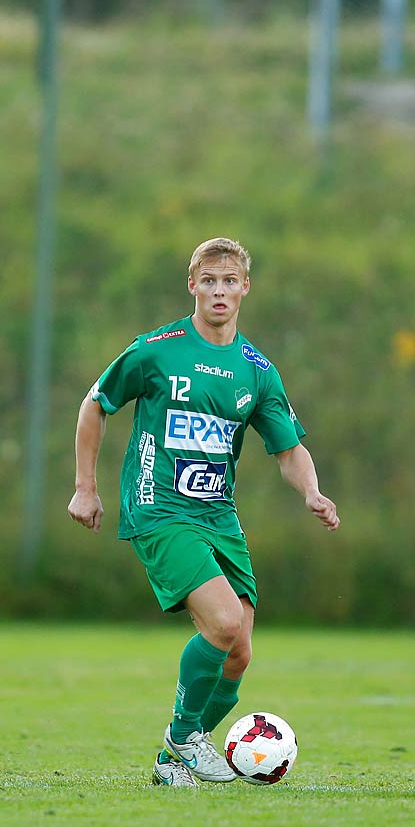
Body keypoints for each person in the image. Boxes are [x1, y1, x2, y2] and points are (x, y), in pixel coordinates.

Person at [67, 237, 339, 787]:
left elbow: (288, 448)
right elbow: (95, 403)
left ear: (245, 288)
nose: (219, 291)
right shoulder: (156, 349)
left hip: (219, 515)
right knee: (222, 620)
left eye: (229, 281)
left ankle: (172, 763)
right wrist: (84, 488)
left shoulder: (257, 369)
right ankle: (185, 738)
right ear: (192, 285)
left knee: (238, 653)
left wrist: (310, 490)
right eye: (208, 281)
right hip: (159, 506)